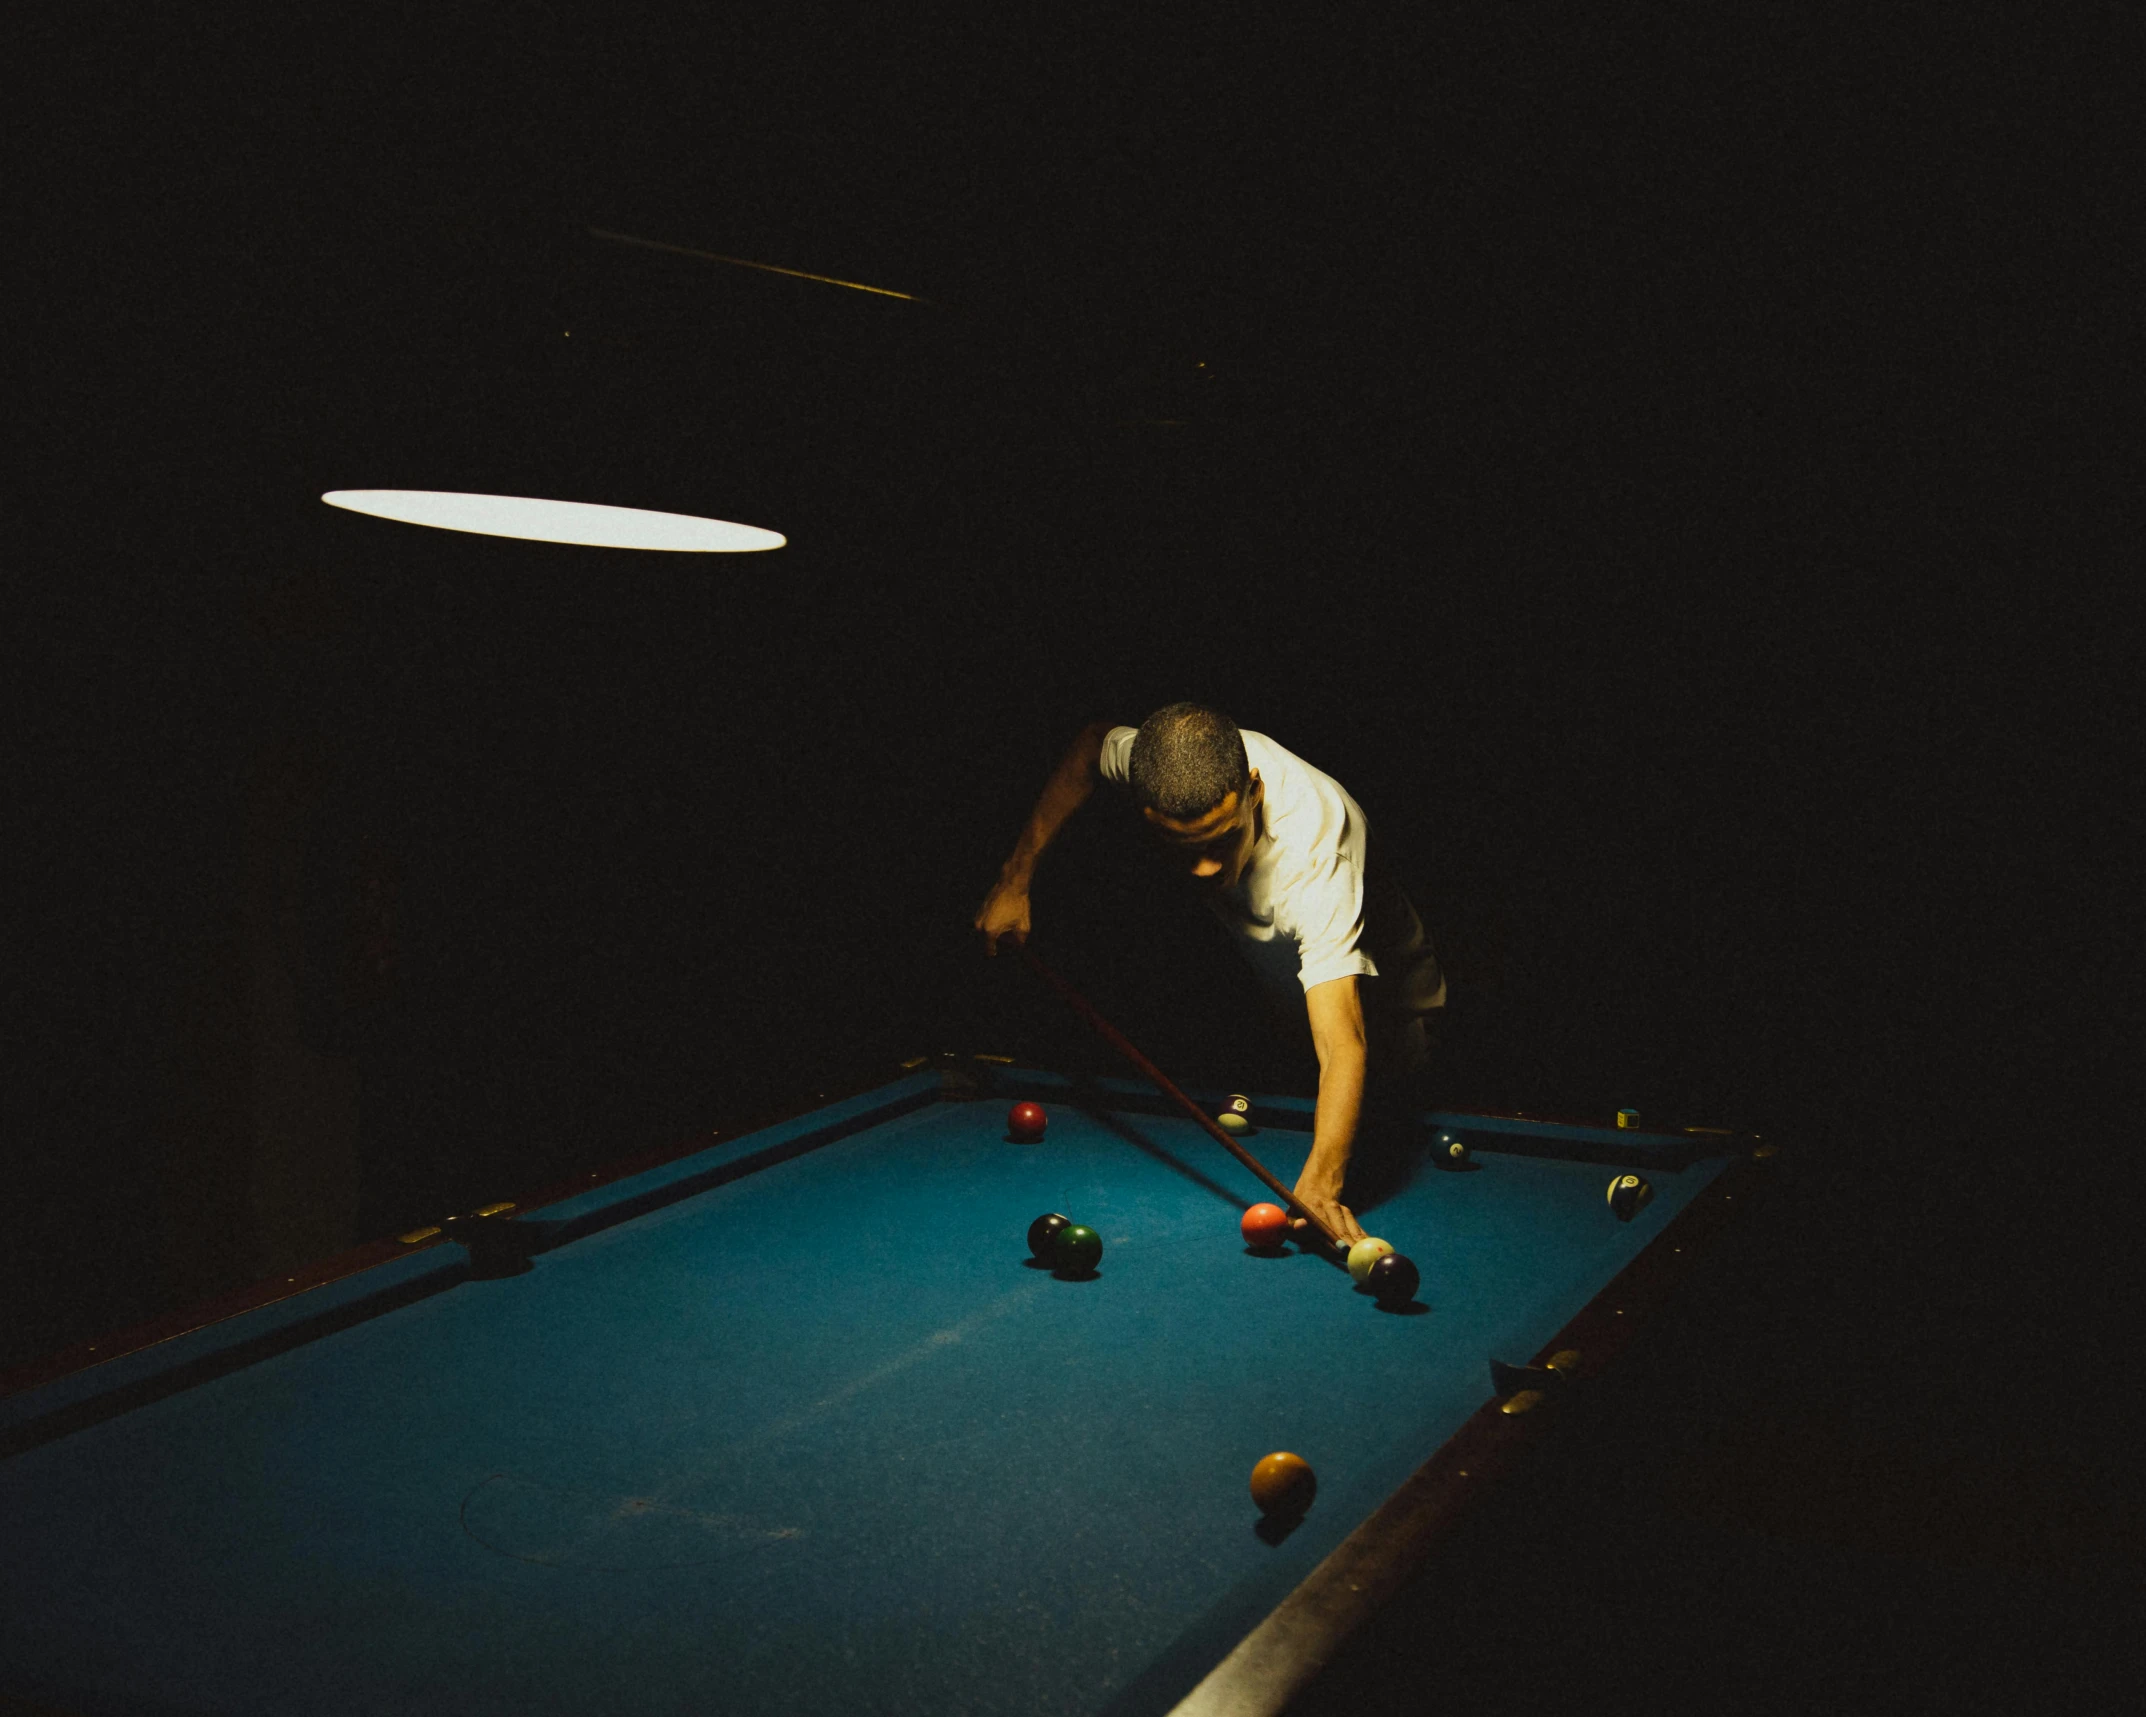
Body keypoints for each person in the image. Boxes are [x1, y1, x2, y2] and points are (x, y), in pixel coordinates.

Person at [973, 703, 1445, 1247]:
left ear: (1255, 792)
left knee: (1391, 1105)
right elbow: (1091, 746)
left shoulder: (1317, 861)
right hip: (1286, 1000)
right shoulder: (1157, 765)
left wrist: (1322, 1183)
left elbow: (1344, 1042)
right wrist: (1015, 879)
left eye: (1221, 841)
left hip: (1392, 1014)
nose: (1205, 868)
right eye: (1184, 848)